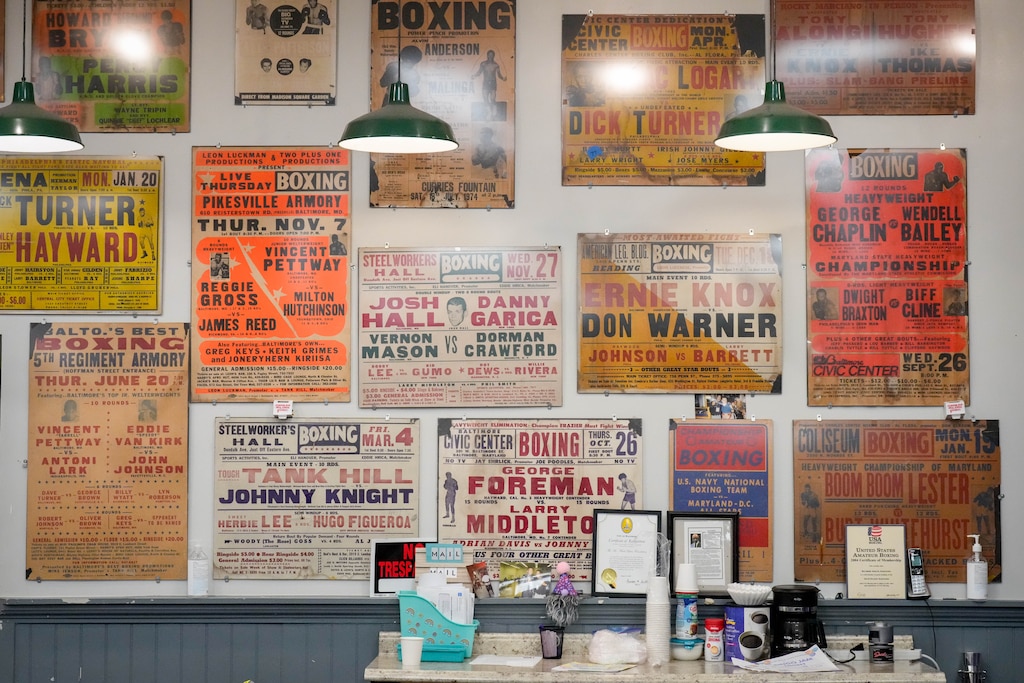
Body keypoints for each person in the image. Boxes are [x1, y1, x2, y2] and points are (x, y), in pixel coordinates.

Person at [471, 50, 506, 120]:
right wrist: (474, 76)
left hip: (493, 83)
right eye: (489, 55)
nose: (490, 56)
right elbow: (479, 72)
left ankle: (494, 112)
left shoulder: (496, 65)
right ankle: (489, 113)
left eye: (492, 55)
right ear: (487, 55)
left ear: (493, 56)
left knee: (493, 99)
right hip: (485, 83)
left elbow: (499, 75)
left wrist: (503, 78)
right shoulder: (483, 64)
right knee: (485, 98)